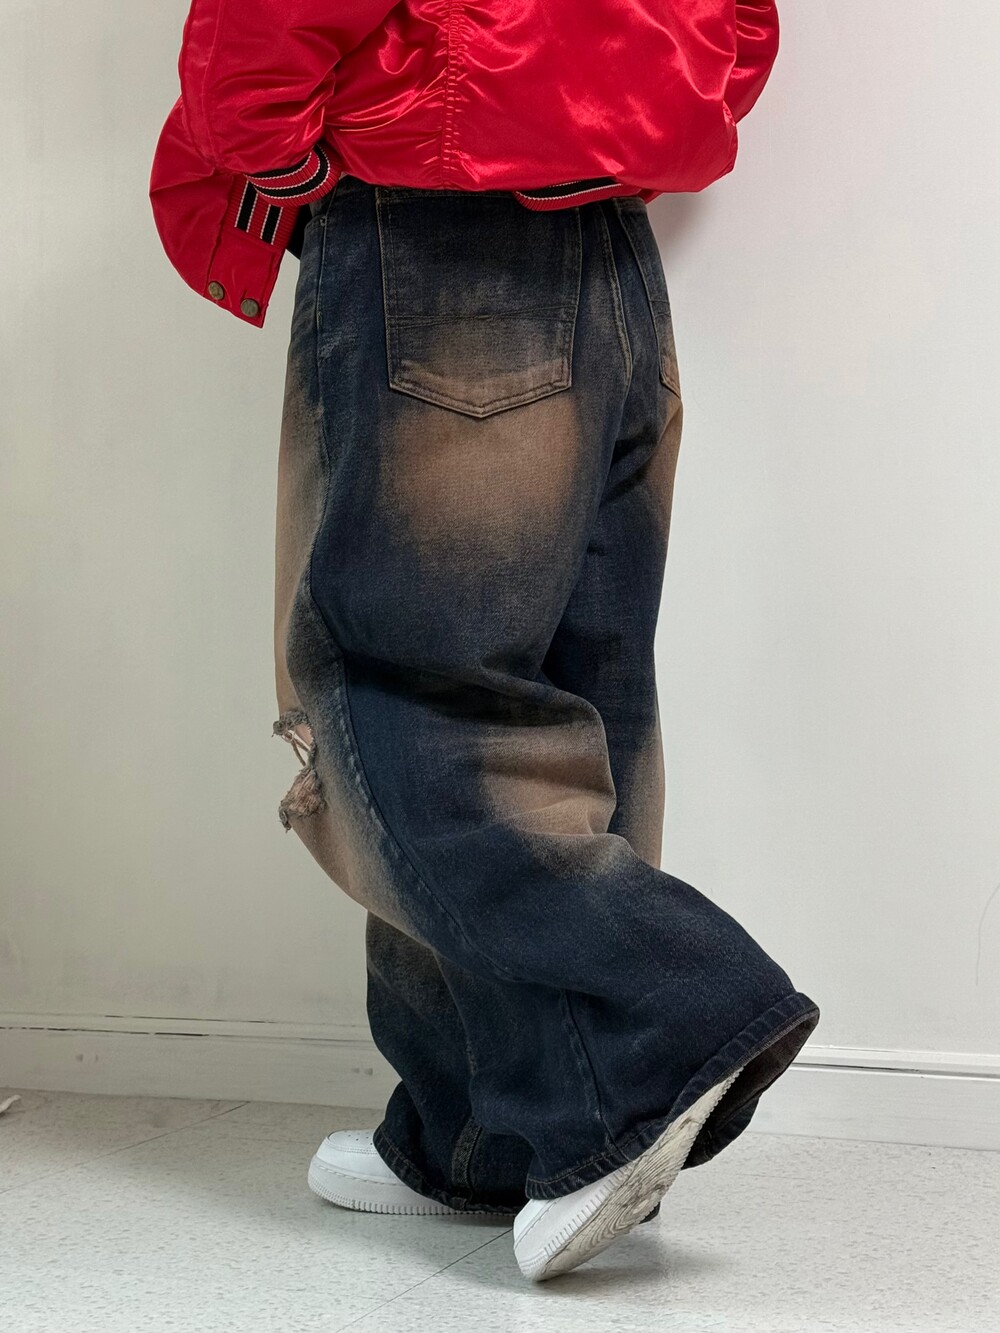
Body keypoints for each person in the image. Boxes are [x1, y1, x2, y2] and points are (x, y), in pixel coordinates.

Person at [150, 0, 820, 1282]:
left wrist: (280, 156)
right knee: (572, 687)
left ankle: (660, 1038)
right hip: (606, 251)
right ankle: (490, 1133)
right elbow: (741, 25)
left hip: (436, 230)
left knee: (407, 694)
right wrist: (624, 113)